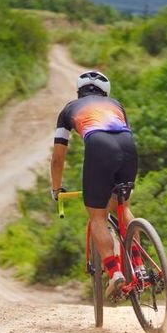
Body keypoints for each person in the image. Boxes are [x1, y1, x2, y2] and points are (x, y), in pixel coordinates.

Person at [50, 70, 141, 297]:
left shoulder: (68, 110)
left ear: (79, 92)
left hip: (98, 146)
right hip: (128, 146)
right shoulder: (116, 104)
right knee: (123, 207)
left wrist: (56, 189)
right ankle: (139, 267)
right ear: (106, 92)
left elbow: (58, 157)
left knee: (97, 216)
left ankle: (114, 272)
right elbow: (122, 131)